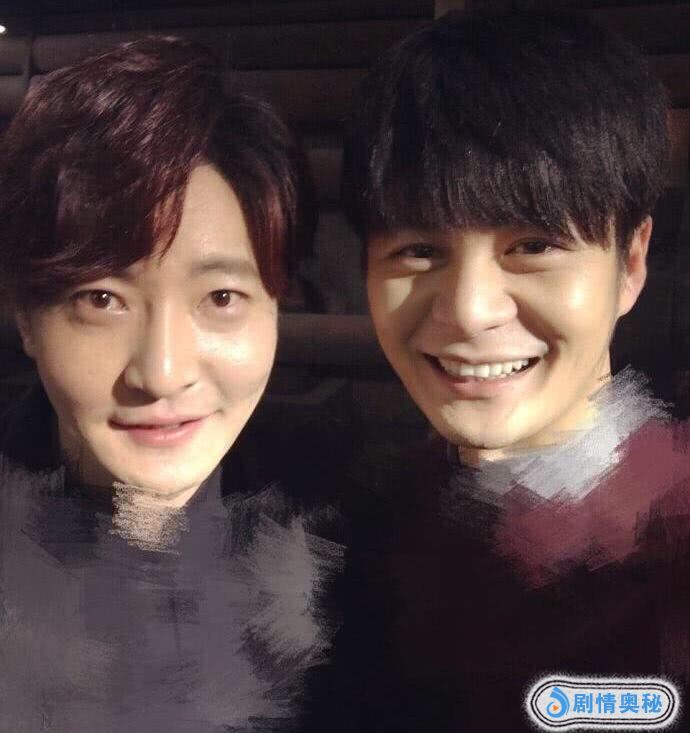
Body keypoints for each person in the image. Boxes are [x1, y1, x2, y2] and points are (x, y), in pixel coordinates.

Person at [297, 10, 690, 732]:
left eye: (533, 246)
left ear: (631, 262)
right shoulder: (358, 544)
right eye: (419, 250)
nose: (469, 311)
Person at [0, 37, 343, 732]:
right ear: (27, 319)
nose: (161, 373)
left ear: (276, 305)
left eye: (221, 297)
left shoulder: (350, 547)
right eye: (101, 299)